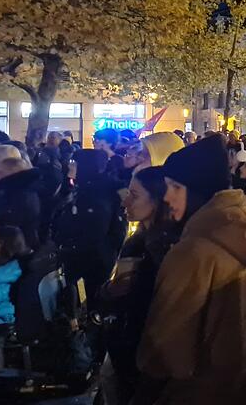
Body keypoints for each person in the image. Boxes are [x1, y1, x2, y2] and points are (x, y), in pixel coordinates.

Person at [135, 134, 246, 404]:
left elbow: (165, 346)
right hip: (233, 383)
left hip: (191, 392)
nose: (167, 197)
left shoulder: (193, 252)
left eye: (174, 187)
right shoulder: (241, 229)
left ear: (195, 189)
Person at [99, 166, 180, 405]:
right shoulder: (139, 239)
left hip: (140, 353)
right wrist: (108, 292)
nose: (125, 202)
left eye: (134, 195)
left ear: (157, 200)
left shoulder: (159, 248)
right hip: (125, 346)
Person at [53, 149, 126, 303]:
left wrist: (67, 246)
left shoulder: (96, 194)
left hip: (91, 261)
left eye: (74, 163)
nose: (70, 166)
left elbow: (93, 231)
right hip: (83, 257)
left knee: (90, 299)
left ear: (85, 166)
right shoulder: (83, 186)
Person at [0, 156, 42, 249]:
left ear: (12, 172)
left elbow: (10, 224)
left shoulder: (21, 196)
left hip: (17, 246)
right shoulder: (15, 190)